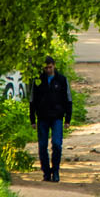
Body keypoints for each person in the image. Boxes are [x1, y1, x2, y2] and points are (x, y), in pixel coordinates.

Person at [28, 55, 72, 183]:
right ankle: (46, 172)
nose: (48, 70)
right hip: (42, 117)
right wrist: (32, 119)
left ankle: (56, 171)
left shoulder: (62, 80)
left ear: (54, 66)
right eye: (46, 68)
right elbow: (32, 100)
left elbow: (68, 99)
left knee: (57, 144)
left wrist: (68, 119)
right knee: (42, 146)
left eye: (50, 67)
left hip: (57, 117)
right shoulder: (38, 81)